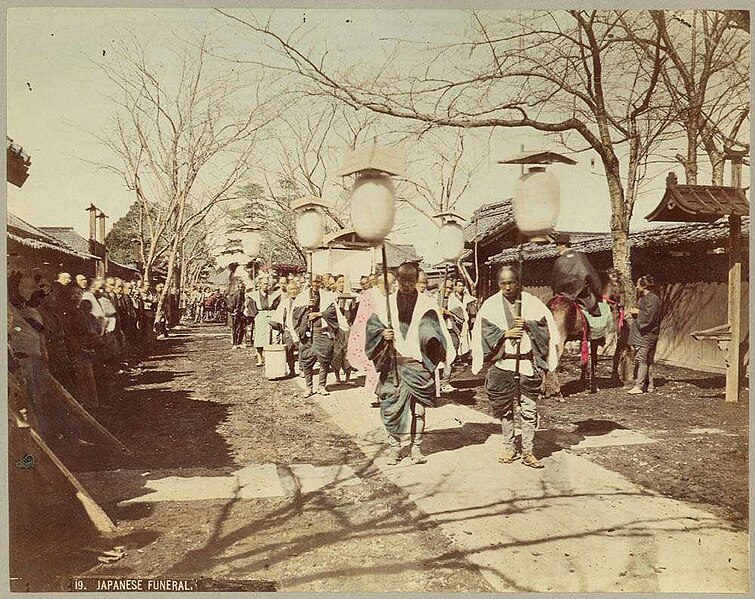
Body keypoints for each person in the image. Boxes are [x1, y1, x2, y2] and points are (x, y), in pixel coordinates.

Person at [365, 262, 455, 465]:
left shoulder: (427, 304)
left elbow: (439, 331)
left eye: (411, 280)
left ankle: (416, 448)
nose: (406, 283)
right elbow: (371, 329)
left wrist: (441, 351)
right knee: (391, 409)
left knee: (419, 411)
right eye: (402, 279)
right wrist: (382, 333)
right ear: (397, 280)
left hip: (418, 366)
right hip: (394, 365)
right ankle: (394, 448)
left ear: (416, 281)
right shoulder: (385, 304)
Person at [471, 265, 560, 469]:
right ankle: (510, 447)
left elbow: (546, 328)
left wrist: (529, 325)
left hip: (527, 364)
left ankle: (528, 451)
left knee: (529, 409)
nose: (508, 287)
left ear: (518, 282)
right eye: (503, 283)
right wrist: (505, 334)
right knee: (505, 409)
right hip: (504, 363)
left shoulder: (532, 303)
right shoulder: (491, 305)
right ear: (498, 284)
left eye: (511, 282)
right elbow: (484, 329)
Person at [293, 274, 347, 396]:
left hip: (322, 332)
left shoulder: (327, 297)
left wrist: (319, 314)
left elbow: (332, 312)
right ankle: (309, 387)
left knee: (324, 360)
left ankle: (321, 386)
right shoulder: (302, 297)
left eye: (318, 282)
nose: (316, 284)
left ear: (321, 282)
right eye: (314, 282)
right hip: (308, 335)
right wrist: (306, 307)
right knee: (306, 360)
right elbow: (295, 313)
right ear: (310, 282)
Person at [550, 234, 603, 317]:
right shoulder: (580, 256)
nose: (556, 248)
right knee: (594, 312)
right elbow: (591, 275)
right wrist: (598, 291)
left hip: (563, 294)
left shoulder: (559, 261)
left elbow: (554, 281)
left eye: (557, 245)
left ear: (562, 245)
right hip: (581, 293)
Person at [628, 275, 662, 394]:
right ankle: (650, 386)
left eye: (638, 284)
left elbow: (649, 317)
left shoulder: (652, 299)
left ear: (644, 286)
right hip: (646, 334)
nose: (637, 287)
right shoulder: (646, 298)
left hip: (646, 334)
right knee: (648, 361)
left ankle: (639, 386)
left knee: (641, 359)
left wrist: (637, 312)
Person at [247, 275, 282, 366]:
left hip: (271, 315)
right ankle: (259, 359)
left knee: (272, 337)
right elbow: (252, 308)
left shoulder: (272, 295)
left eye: (267, 284)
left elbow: (276, 305)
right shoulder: (254, 295)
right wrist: (255, 316)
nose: (266, 286)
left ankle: (270, 358)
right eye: (264, 284)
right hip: (260, 317)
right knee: (259, 338)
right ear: (260, 285)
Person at [271, 278, 301, 376]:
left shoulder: (302, 301)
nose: (293, 291)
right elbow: (279, 315)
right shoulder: (284, 302)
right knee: (289, 350)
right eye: (291, 289)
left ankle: (302, 369)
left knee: (302, 350)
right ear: (288, 291)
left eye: (295, 289)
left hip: (300, 329)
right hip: (288, 329)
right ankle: (291, 369)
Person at [228, 277, 247, 349]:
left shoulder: (242, 294)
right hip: (236, 313)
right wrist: (234, 311)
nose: (242, 288)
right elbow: (234, 304)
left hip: (241, 313)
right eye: (241, 287)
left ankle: (239, 342)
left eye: (243, 287)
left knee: (242, 328)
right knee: (235, 328)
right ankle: (235, 343)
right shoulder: (237, 294)